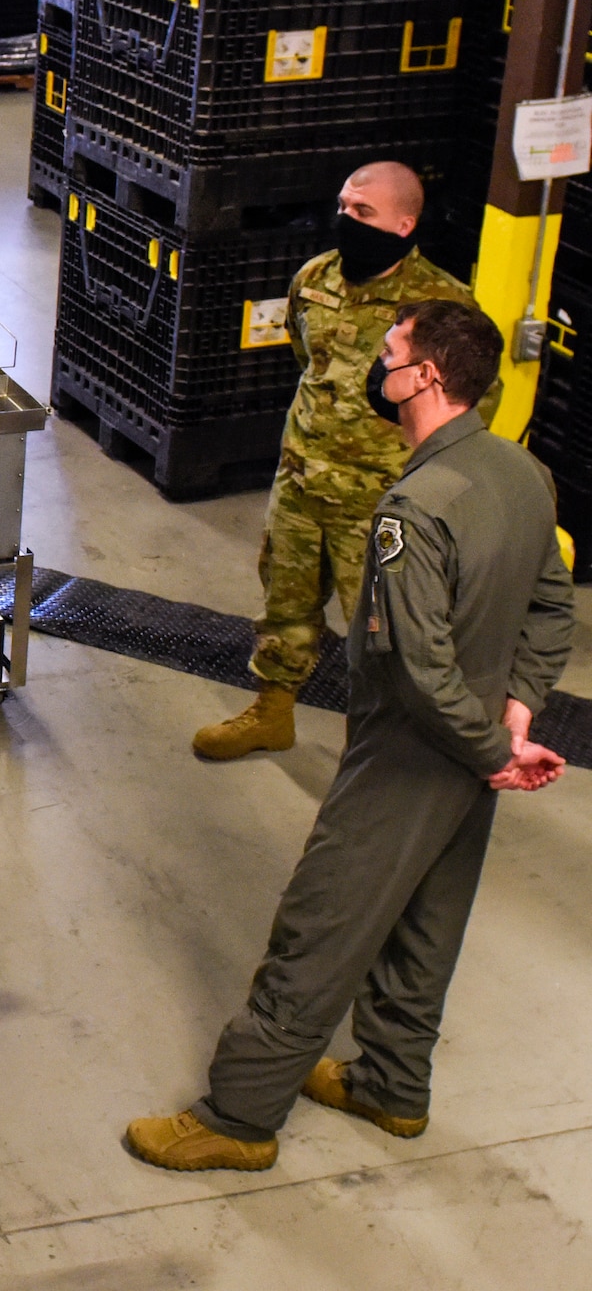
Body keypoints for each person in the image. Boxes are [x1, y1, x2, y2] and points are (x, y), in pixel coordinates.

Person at [128, 300, 576, 1172]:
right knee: (427, 921)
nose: (381, 362)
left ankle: (240, 1116)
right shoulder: (523, 474)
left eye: (393, 351)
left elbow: (416, 668)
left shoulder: (417, 506)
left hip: (412, 755)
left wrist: (491, 747)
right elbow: (550, 608)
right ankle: (392, 1086)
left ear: (427, 378)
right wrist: (516, 716)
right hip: (478, 751)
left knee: (320, 927)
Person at [194, 162, 493, 761]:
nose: (346, 221)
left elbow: (465, 408)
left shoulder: (442, 309)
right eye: (343, 207)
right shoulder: (313, 278)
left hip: (383, 503)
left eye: (364, 212)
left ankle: (376, 749)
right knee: (285, 603)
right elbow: (304, 355)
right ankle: (272, 711)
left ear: (405, 223)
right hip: (303, 479)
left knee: (383, 632)